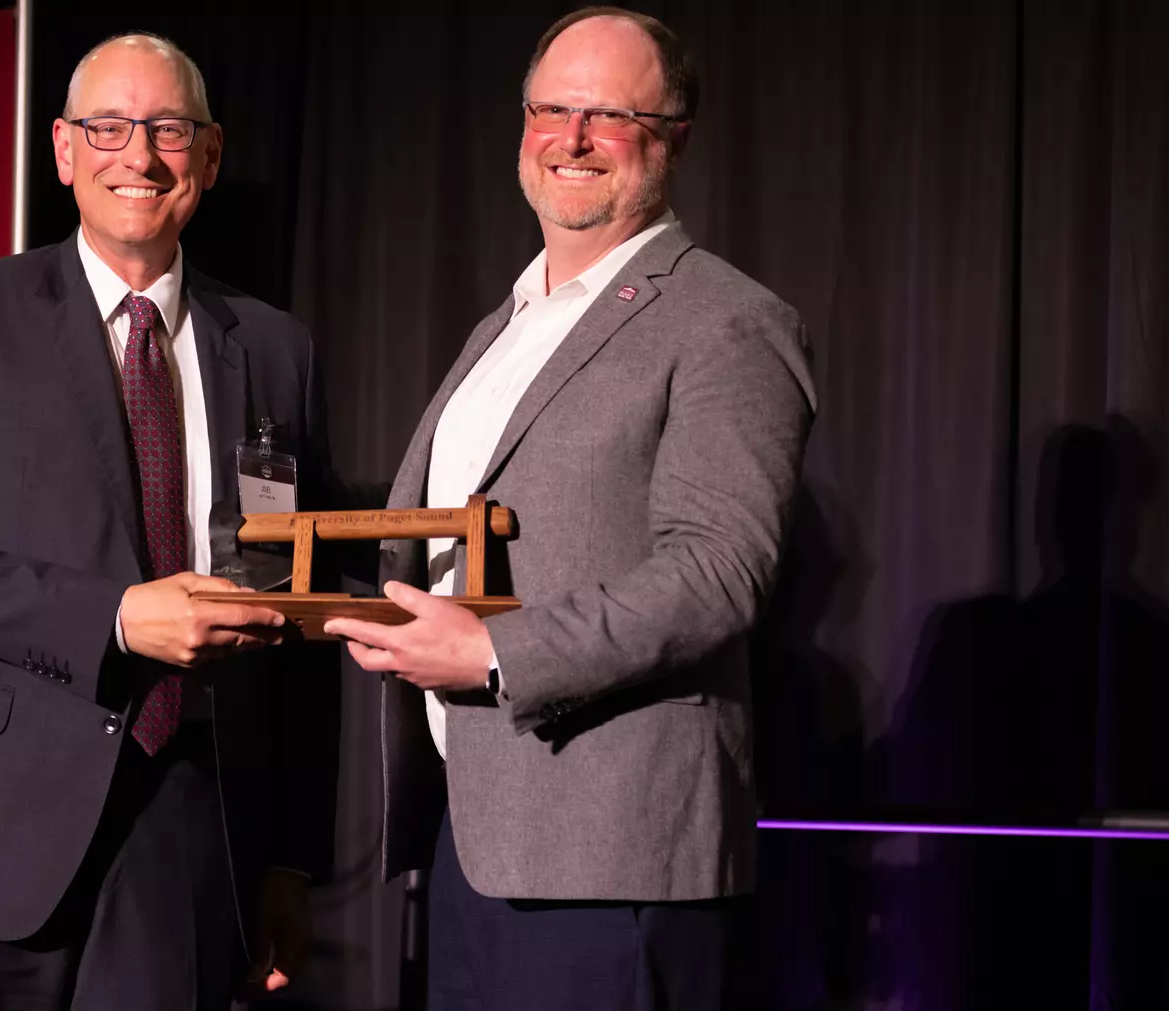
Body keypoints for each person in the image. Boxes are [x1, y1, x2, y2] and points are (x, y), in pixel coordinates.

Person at [325, 8, 817, 1009]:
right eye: (553, 108)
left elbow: (720, 569)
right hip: (472, 844)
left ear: (673, 136)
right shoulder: (505, 327)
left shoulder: (729, 320)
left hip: (614, 863)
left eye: (609, 113)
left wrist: (497, 654)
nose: (574, 138)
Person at [0, 32, 339, 1011]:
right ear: (65, 151)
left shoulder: (277, 349)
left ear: (209, 155)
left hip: (189, 827)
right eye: (109, 128)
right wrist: (117, 617)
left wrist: (289, 860)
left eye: (167, 128)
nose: (140, 155)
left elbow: (304, 611)